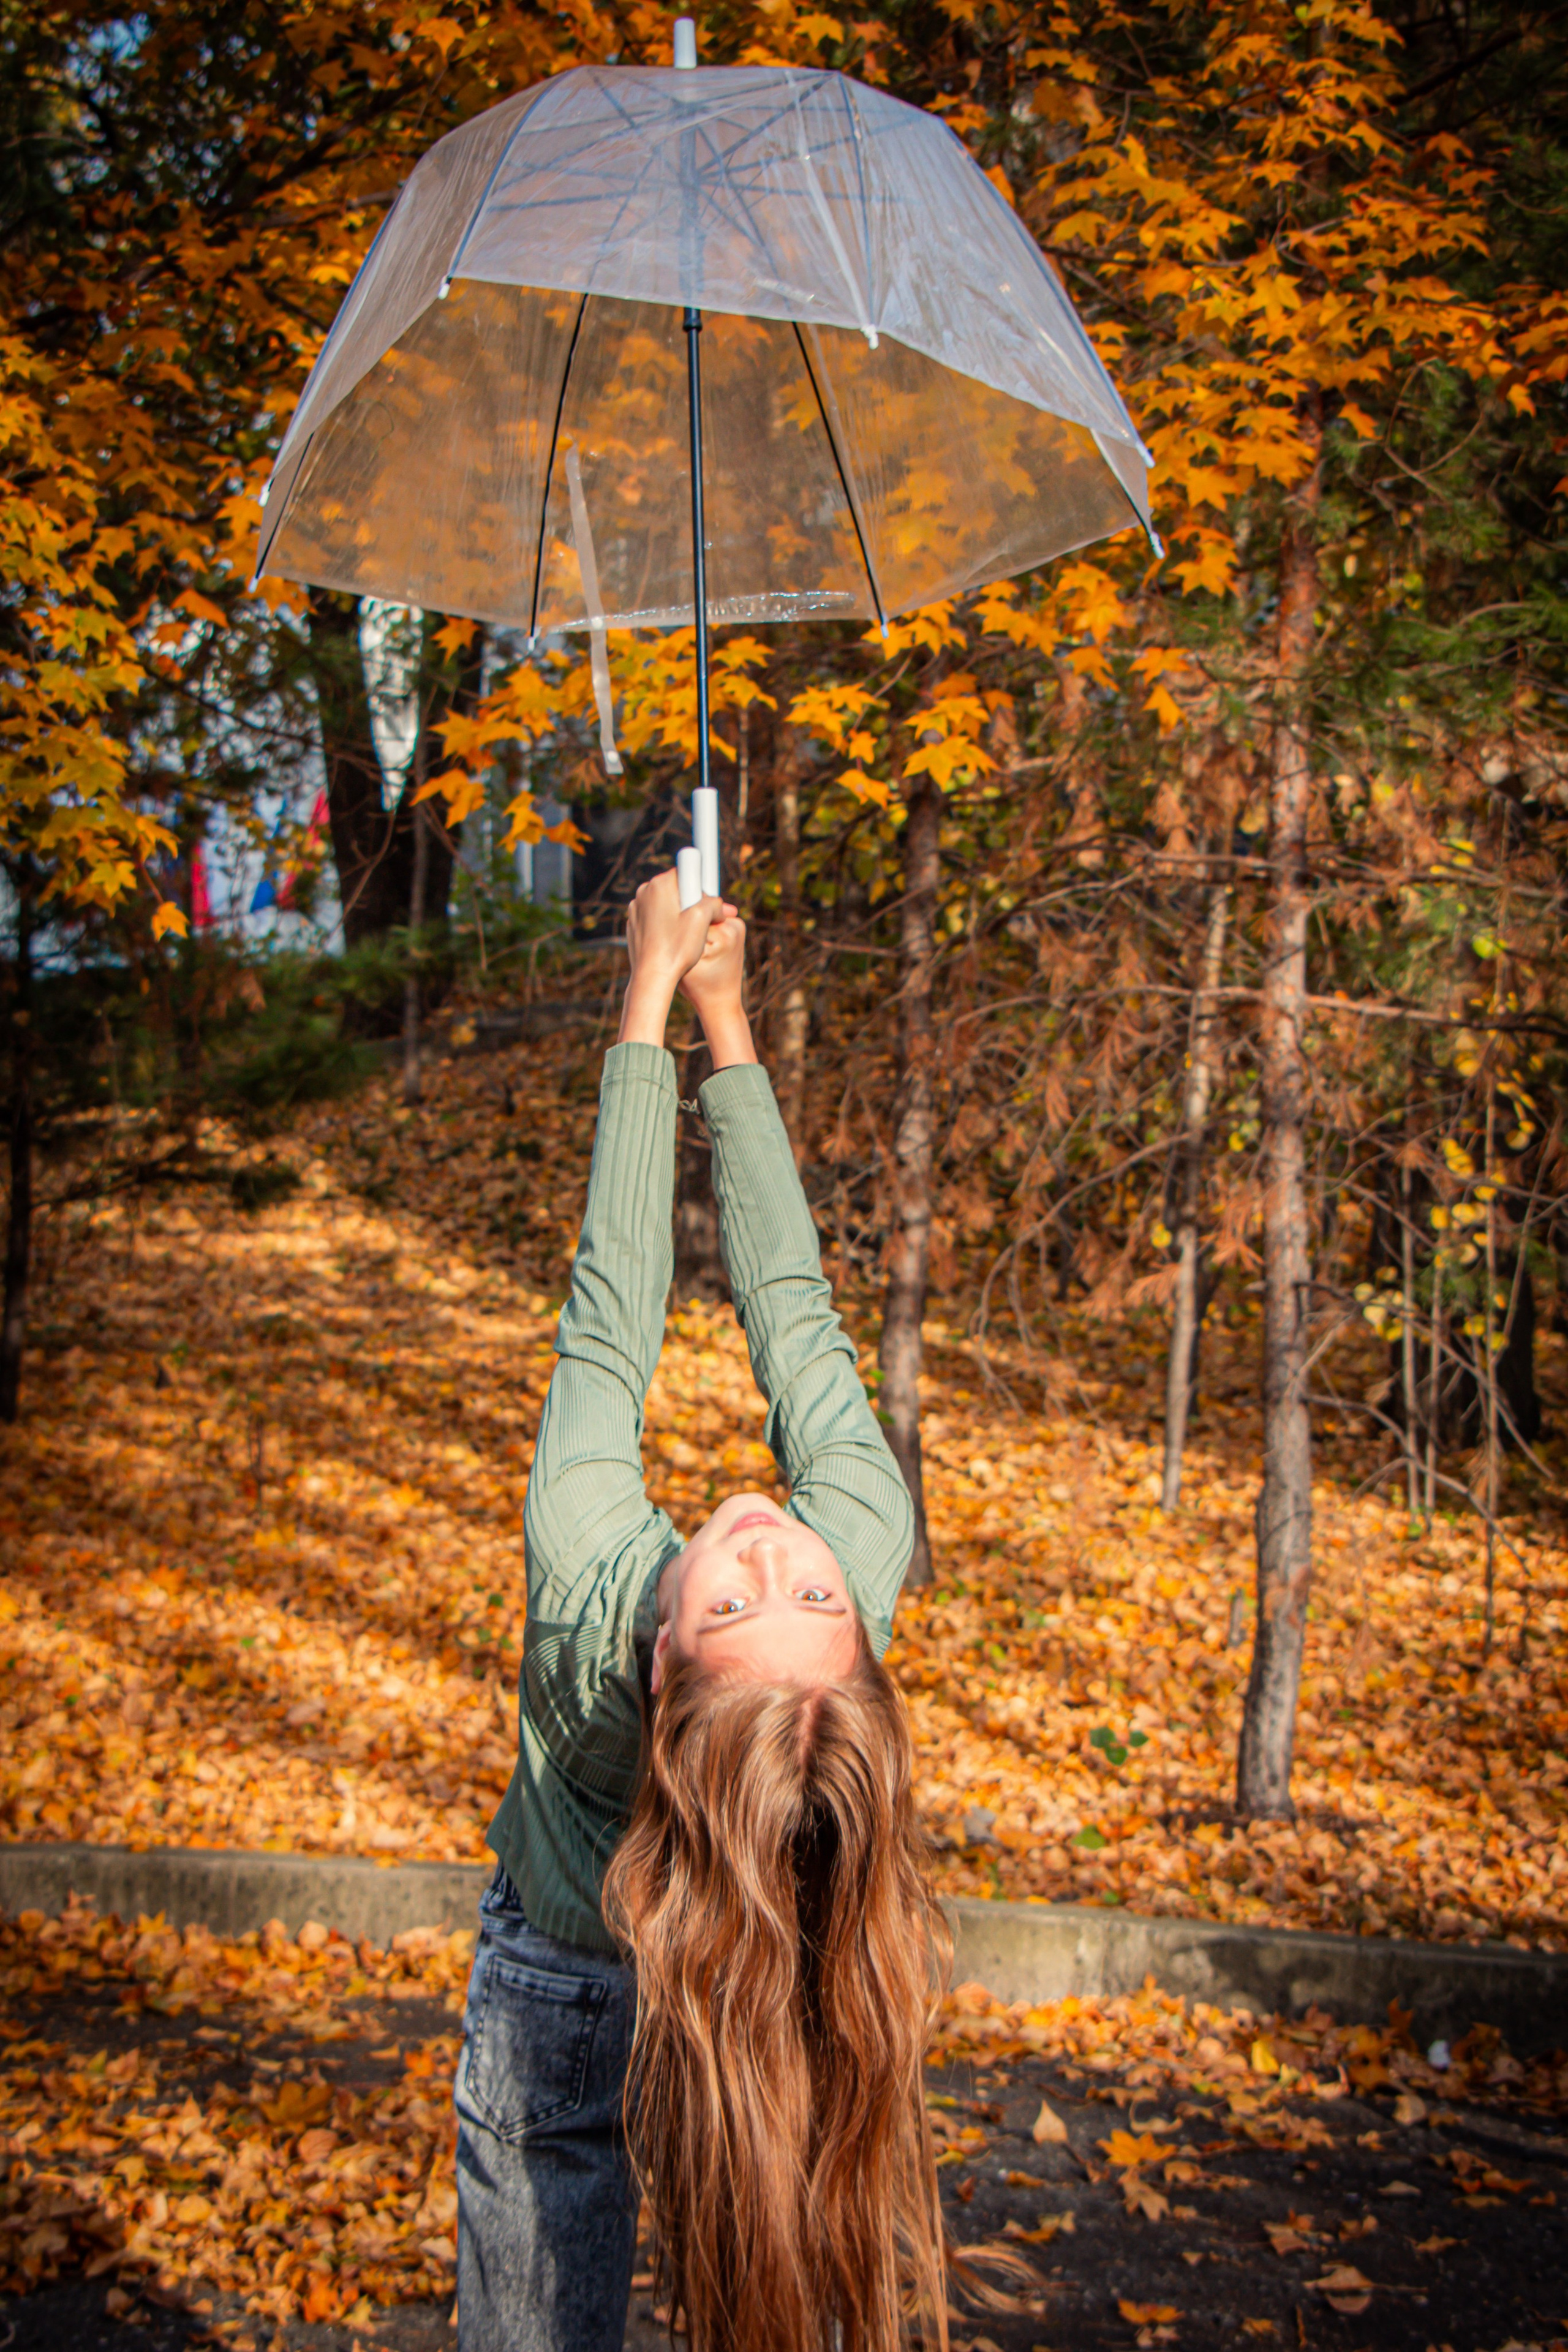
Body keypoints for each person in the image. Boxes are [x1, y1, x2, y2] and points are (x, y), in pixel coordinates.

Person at [455, 870, 949, 2352]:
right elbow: (790, 1307)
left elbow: (613, 1302)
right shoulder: (858, 1536)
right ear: (853, 1626)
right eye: (809, 1590)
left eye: (740, 1598)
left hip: (568, 1979)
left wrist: (644, 1001)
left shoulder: (589, 1571)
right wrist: (728, 1021)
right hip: (732, 1962)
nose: (764, 1538)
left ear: (663, 1659)